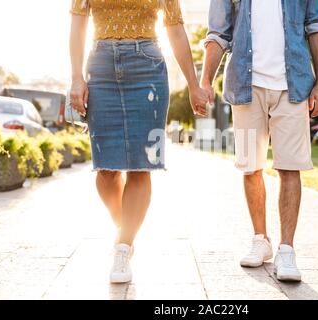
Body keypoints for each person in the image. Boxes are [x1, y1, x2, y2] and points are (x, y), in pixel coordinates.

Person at [69, 0, 208, 283]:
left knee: (140, 166)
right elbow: (78, 23)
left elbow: (176, 29)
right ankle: (125, 229)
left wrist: (194, 85)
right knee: (106, 170)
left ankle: (123, 247)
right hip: (101, 67)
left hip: (148, 67)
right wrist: (75, 78)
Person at [200, 0, 318, 281]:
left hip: (293, 86)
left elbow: (317, 26)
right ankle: (261, 239)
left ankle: (286, 249)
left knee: (290, 167)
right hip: (245, 87)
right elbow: (218, 34)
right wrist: (205, 80)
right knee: (250, 166)